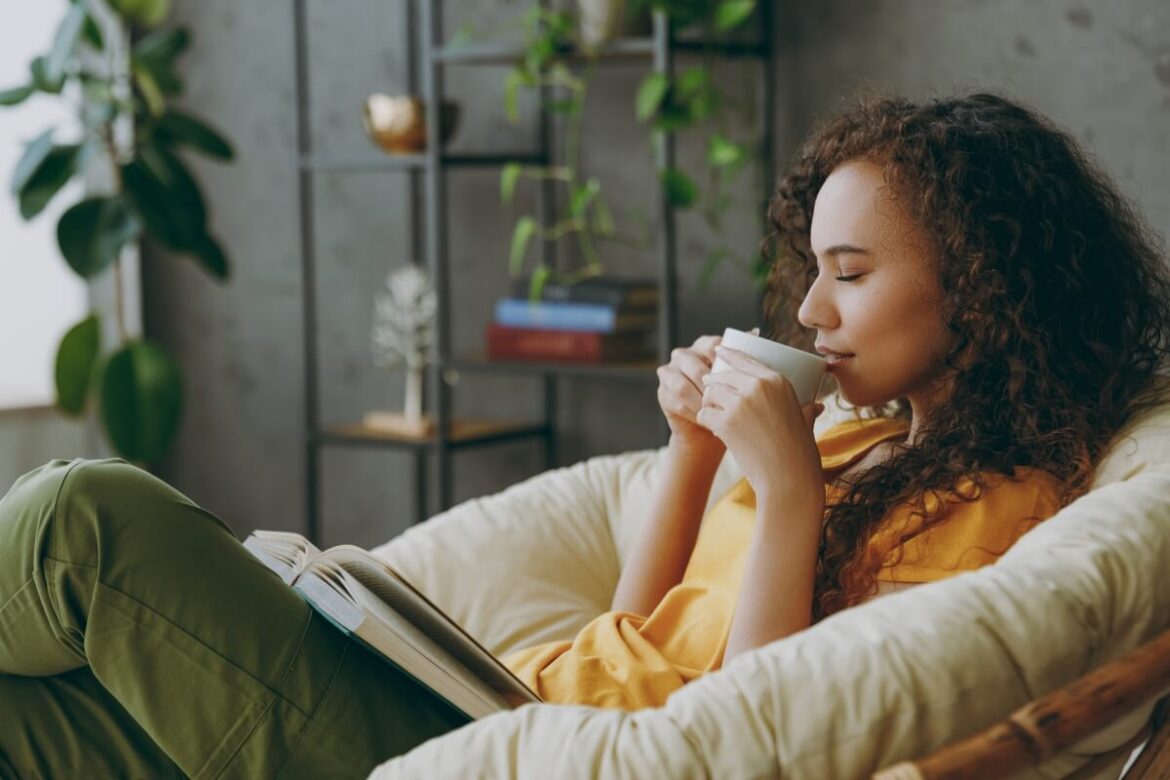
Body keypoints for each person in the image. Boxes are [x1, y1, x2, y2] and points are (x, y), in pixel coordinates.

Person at [2, 92, 1168, 777]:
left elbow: (767, 734)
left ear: (983, 287)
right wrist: (693, 457)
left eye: (850, 274)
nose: (810, 311)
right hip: (505, 712)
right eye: (812, 268)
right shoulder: (858, 444)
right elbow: (636, 627)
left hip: (488, 757)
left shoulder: (998, 511)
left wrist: (786, 497)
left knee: (85, 518)